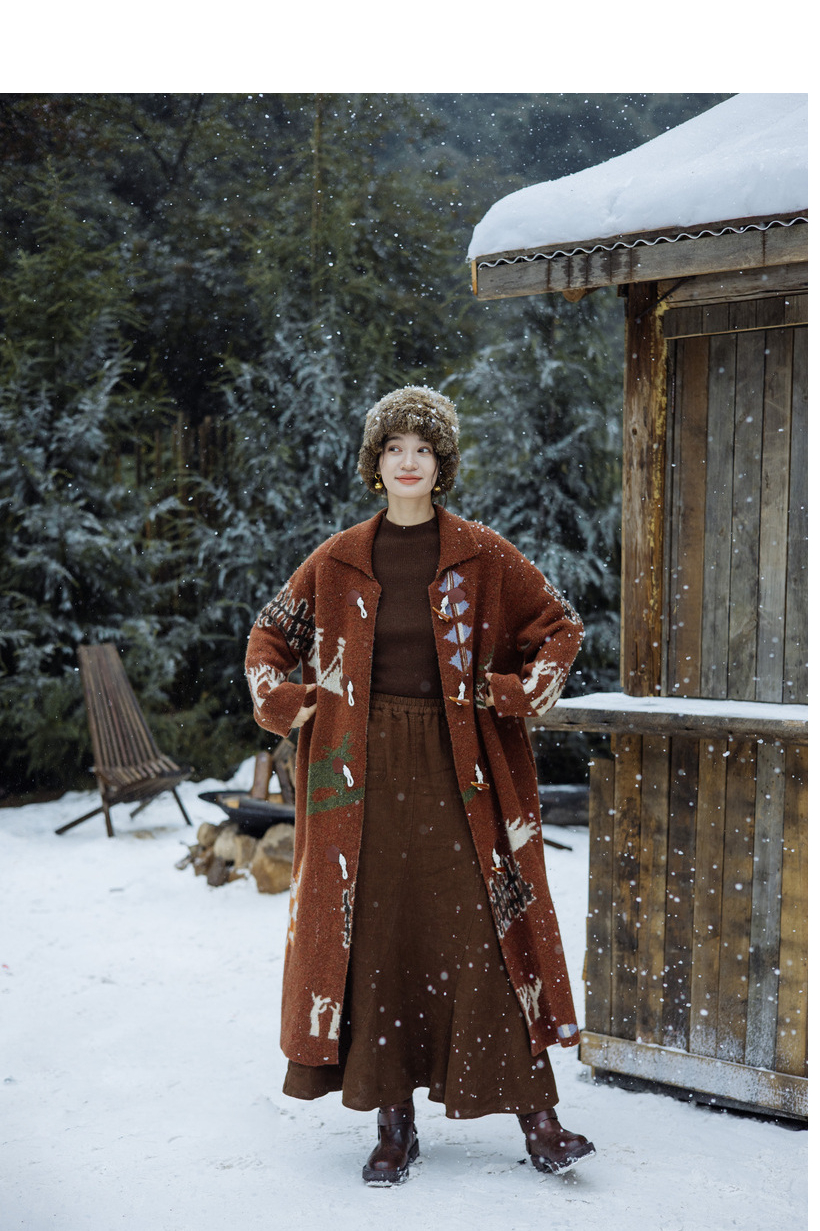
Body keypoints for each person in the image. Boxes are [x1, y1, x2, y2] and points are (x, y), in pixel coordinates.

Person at [245, 385, 596, 1184]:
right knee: (377, 939)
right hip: (357, 778)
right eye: (395, 449)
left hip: (459, 772)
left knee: (487, 933)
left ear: (442, 465)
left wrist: (514, 693)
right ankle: (394, 1123)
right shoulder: (336, 559)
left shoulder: (482, 554)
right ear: (376, 464)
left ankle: (539, 1120)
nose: (409, 462)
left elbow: (561, 627)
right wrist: (291, 703)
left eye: (424, 450)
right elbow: (268, 638)